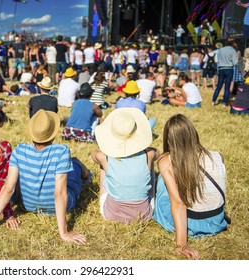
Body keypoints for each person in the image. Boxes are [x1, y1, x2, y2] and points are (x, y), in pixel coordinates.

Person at [0, 110, 88, 245]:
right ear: (52, 133)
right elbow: (60, 193)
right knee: (75, 164)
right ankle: (86, 176)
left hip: (28, 205)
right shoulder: (62, 151)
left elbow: (8, 188)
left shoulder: (19, 150)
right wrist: (63, 232)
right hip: (60, 205)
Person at [153, 114, 229, 260]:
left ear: (169, 139)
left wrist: (181, 245)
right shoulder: (218, 156)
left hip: (192, 223)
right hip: (217, 220)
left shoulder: (166, 160)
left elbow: (178, 203)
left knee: (163, 182)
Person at [91, 108, 158, 224]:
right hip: (145, 214)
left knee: (103, 164)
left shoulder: (105, 157)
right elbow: (157, 153)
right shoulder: (149, 154)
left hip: (111, 214)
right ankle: (150, 195)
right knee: (150, 163)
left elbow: (94, 155)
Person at [212, 41, 239, 107]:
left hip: (221, 68)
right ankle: (224, 103)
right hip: (229, 69)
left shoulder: (221, 50)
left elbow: (218, 59)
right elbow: (235, 62)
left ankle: (213, 101)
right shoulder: (233, 50)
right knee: (227, 87)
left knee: (219, 86)